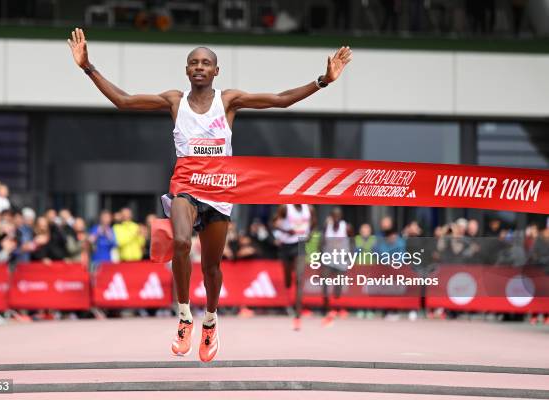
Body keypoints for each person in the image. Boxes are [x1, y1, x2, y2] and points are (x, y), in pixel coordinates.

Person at [68, 27, 352, 362]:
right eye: (193, 63)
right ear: (186, 70)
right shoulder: (174, 101)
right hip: (185, 186)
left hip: (220, 190)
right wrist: (88, 67)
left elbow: (280, 100)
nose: (199, 67)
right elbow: (123, 100)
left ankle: (211, 321)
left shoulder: (228, 100)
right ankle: (185, 315)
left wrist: (323, 80)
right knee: (182, 242)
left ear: (216, 71)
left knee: (212, 268)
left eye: (206, 63)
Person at [273, 204, 316, 330]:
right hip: (286, 245)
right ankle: (288, 284)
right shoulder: (285, 208)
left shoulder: (309, 209)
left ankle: (297, 316)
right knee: (288, 280)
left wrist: (310, 234)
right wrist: (287, 231)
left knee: (299, 278)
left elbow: (314, 223)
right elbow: (274, 224)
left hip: (300, 243)